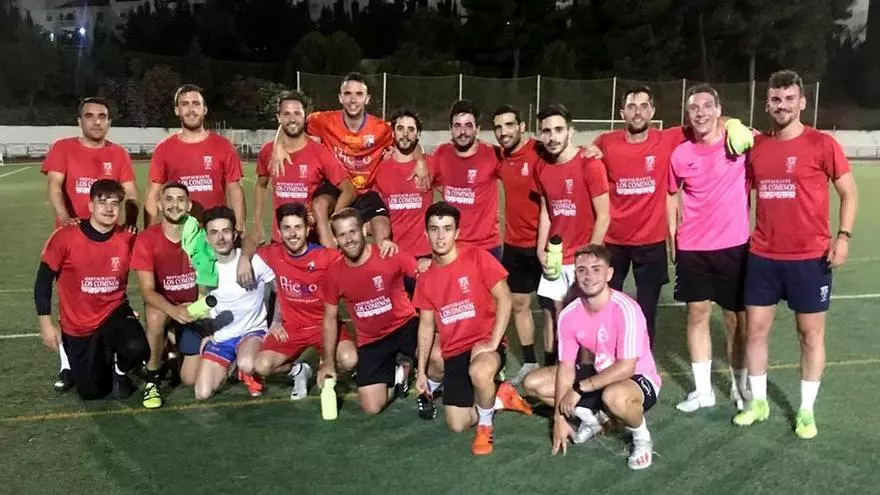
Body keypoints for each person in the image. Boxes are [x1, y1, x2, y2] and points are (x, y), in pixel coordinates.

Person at [734, 70, 858, 439]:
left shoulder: (822, 144)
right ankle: (758, 403)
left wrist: (843, 236)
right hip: (763, 255)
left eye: (789, 98)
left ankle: (806, 410)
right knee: (755, 331)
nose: (782, 105)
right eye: (776, 99)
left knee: (810, 335)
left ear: (802, 102)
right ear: (767, 104)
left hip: (810, 258)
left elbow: (849, 193)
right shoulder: (757, 147)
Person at [594, 85, 755, 346]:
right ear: (622, 113)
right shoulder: (605, 142)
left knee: (647, 310)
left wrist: (733, 123)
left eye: (644, 106)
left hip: (651, 242)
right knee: (608, 306)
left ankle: (643, 362)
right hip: (614, 240)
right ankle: (605, 356)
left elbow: (707, 118)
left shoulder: (668, 138)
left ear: (652, 111)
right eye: (632, 107)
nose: (638, 112)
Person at [522, 244, 661, 470]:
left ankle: (642, 438)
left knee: (614, 396)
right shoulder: (569, 314)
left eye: (596, 269)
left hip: (637, 379)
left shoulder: (626, 309)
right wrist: (559, 418)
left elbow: (626, 367)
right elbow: (566, 367)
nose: (589, 276)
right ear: (575, 274)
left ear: (609, 273)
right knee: (533, 383)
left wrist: (579, 389)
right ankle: (594, 419)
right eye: (582, 270)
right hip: (599, 374)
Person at [413, 202, 533, 455]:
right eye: (434, 229)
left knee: (479, 372)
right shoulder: (425, 277)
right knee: (457, 424)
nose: (441, 236)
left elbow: (505, 298)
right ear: (426, 233)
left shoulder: (477, 257)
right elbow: (426, 326)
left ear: (457, 232)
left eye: (447, 229)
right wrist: (421, 371)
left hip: (483, 344)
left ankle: (485, 427)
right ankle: (499, 397)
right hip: (454, 351)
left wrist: (494, 342)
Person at [40, 97, 139, 392]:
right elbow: (55, 185)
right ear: (79, 121)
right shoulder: (63, 148)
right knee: (71, 302)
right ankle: (66, 365)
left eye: (102, 116)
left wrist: (131, 222)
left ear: (109, 121)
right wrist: (65, 218)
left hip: (108, 238)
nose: (97, 121)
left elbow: (131, 193)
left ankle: (112, 353)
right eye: (90, 115)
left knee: (106, 294)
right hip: (73, 238)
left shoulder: (118, 153)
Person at [270, 72, 431, 243]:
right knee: (320, 206)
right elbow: (293, 121)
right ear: (340, 97)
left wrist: (421, 161)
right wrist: (277, 145)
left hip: (366, 191)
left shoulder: (381, 129)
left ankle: (381, 257)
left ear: (367, 99)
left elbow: (407, 139)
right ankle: (328, 252)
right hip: (336, 189)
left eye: (359, 94)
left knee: (381, 225)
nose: (353, 100)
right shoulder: (323, 121)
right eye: (348, 94)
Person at [668, 85, 751, 413]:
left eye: (707, 106)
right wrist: (671, 235)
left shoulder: (738, 142)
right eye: (694, 108)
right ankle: (704, 392)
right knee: (697, 314)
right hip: (693, 247)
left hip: (734, 245)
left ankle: (740, 385)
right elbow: (671, 195)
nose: (700, 112)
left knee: (735, 320)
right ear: (687, 114)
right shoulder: (680, 154)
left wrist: (736, 123)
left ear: (718, 109)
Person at [318, 208, 442, 417]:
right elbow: (330, 319)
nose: (349, 239)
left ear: (363, 230)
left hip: (405, 326)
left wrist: (427, 264)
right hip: (372, 340)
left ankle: (427, 389)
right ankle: (400, 372)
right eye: (342, 234)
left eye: (353, 231)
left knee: (439, 358)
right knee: (372, 407)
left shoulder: (388, 253)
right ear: (335, 239)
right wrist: (328, 362)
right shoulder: (334, 274)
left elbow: (421, 273)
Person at [34, 179, 149, 400]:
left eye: (115, 203)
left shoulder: (128, 237)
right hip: (78, 325)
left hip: (114, 311)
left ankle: (120, 372)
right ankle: (98, 358)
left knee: (137, 347)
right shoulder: (65, 237)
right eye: (102, 202)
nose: (109, 208)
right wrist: (45, 324)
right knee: (92, 392)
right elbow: (43, 281)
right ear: (90, 205)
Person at [251, 203, 358, 400]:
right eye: (286, 228)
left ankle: (325, 363)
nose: (292, 234)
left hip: (325, 325)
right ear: (279, 232)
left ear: (307, 230)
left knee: (349, 360)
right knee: (262, 366)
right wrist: (243, 259)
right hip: (291, 328)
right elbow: (249, 241)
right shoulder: (272, 253)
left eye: (298, 227)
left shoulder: (326, 257)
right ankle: (299, 371)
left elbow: (355, 262)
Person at [491, 104, 556, 383]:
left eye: (509, 125)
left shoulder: (540, 151)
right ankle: (530, 361)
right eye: (498, 127)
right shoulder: (500, 157)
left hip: (544, 245)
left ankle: (552, 365)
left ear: (521, 127)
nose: (503, 132)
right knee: (519, 303)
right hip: (514, 244)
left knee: (551, 308)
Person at [131, 182, 209, 409]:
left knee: (190, 379)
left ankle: (173, 346)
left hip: (192, 308)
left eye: (180, 199)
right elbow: (147, 291)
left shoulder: (200, 236)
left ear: (189, 205)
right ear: (159, 204)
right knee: (155, 316)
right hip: (166, 307)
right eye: (169, 199)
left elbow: (205, 280)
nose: (175, 205)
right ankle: (152, 379)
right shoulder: (146, 240)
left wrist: (198, 306)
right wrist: (174, 311)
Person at [534, 104, 611, 314]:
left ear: (570, 131)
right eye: (546, 131)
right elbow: (546, 211)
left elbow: (604, 217)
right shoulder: (541, 167)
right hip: (555, 257)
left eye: (559, 130)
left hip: (582, 258)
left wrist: (589, 258)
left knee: (586, 318)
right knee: (554, 318)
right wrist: (540, 250)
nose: (552, 137)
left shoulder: (590, 164)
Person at [253, 91, 356, 247]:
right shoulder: (268, 152)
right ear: (278, 118)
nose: (292, 119)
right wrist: (257, 222)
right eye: (286, 114)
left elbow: (349, 190)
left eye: (297, 113)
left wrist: (331, 218)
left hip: (310, 240)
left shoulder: (320, 152)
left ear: (305, 117)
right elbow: (261, 185)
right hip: (279, 239)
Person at [194, 207, 274, 400]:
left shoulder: (253, 261)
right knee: (202, 393)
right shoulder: (205, 267)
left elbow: (276, 287)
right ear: (206, 238)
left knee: (248, 363)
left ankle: (249, 371)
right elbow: (203, 300)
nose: (220, 238)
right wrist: (208, 333)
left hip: (252, 331)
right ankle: (233, 365)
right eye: (214, 232)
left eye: (226, 231)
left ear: (235, 234)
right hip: (223, 337)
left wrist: (275, 323)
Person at [145, 84, 245, 231]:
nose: (191, 109)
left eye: (196, 103)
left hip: (214, 233)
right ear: (177, 110)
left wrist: (240, 226)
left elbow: (235, 189)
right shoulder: (164, 149)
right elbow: (153, 194)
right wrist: (148, 233)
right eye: (185, 104)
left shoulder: (224, 146)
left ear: (205, 109)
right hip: (178, 232)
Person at [371, 108, 436, 295]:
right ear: (392, 132)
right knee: (397, 311)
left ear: (418, 134)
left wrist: (420, 160)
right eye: (400, 128)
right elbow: (375, 210)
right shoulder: (379, 168)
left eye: (411, 129)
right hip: (393, 254)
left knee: (426, 311)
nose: (405, 134)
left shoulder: (430, 164)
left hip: (425, 256)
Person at [430, 100, 504, 261]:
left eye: (468, 126)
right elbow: (428, 177)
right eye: (457, 126)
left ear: (478, 129)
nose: (462, 132)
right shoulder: (441, 154)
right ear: (450, 129)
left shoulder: (493, 154)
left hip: (487, 247)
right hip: (452, 247)